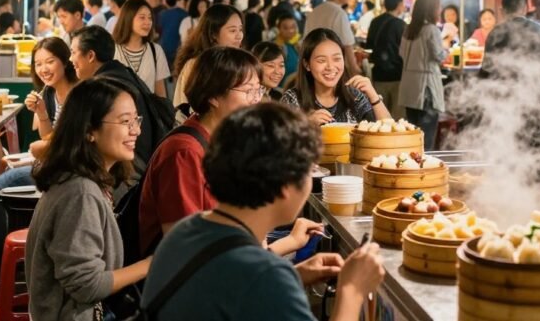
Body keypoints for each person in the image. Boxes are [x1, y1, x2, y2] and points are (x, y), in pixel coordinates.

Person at [142, 103, 385, 321]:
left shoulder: (185, 231)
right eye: (309, 170)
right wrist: (352, 290)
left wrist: (292, 276)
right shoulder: (264, 276)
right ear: (286, 188)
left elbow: (225, 290)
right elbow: (253, 280)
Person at [26, 78, 152, 321]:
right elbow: (87, 285)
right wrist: (151, 265)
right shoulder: (80, 192)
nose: (136, 130)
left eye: (136, 120)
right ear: (89, 131)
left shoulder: (88, 180)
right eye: (125, 121)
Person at [0, 37, 78, 286]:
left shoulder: (79, 93)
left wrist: (38, 149)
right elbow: (48, 136)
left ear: (65, 61)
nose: (44, 69)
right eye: (38, 63)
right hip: (52, 163)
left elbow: (59, 142)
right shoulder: (50, 93)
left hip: (67, 170)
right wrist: (41, 112)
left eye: (50, 61)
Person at [140, 47, 267, 253]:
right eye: (248, 91)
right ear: (214, 96)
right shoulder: (184, 152)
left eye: (259, 89)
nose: (256, 99)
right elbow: (184, 244)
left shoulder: (225, 140)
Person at [71, 26, 172, 174]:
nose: (71, 59)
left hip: (129, 173)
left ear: (90, 56)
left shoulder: (105, 87)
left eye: (73, 52)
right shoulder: (124, 73)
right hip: (145, 166)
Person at [281, 28, 391, 127]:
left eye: (337, 59)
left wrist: (373, 96)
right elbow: (278, 142)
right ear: (307, 64)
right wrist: (306, 124)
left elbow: (388, 132)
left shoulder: (354, 97)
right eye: (321, 60)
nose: (330, 67)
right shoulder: (292, 99)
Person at [172, 4, 244, 117]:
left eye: (240, 29)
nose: (239, 36)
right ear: (213, 34)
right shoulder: (195, 65)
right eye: (232, 31)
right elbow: (184, 107)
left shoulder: (241, 63)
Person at [399, 0, 447, 150]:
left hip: (409, 86)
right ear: (432, 9)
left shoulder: (408, 29)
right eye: (438, 6)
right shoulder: (431, 30)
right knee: (426, 135)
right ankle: (425, 168)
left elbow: (401, 53)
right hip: (426, 89)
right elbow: (439, 55)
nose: (440, 10)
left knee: (413, 133)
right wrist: (446, 44)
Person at [479, 0, 540, 82]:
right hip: (536, 88)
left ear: (502, 11)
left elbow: (487, 69)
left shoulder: (495, 33)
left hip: (503, 89)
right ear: (525, 9)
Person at [113, 0, 170, 98]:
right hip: (121, 112)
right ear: (128, 19)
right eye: (142, 18)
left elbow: (161, 93)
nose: (148, 22)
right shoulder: (113, 50)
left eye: (150, 18)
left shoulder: (156, 51)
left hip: (149, 112)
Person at [304, 0, 360, 75]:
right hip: (332, 67)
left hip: (313, 65)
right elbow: (347, 45)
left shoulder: (315, 11)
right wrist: (354, 69)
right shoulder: (339, 13)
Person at [367, 0, 407, 120]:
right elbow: (405, 51)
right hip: (397, 76)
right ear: (399, 4)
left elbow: (369, 46)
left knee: (380, 117)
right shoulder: (400, 25)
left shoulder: (375, 22)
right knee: (397, 118)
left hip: (378, 75)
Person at [157, 0, 187, 71]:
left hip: (165, 44)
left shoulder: (162, 14)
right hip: (178, 45)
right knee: (176, 69)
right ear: (176, 1)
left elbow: (159, 29)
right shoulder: (182, 13)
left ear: (166, 3)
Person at [273, 11, 300, 87]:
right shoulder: (276, 47)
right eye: (285, 28)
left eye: (293, 27)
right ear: (278, 29)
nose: (290, 30)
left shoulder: (298, 44)